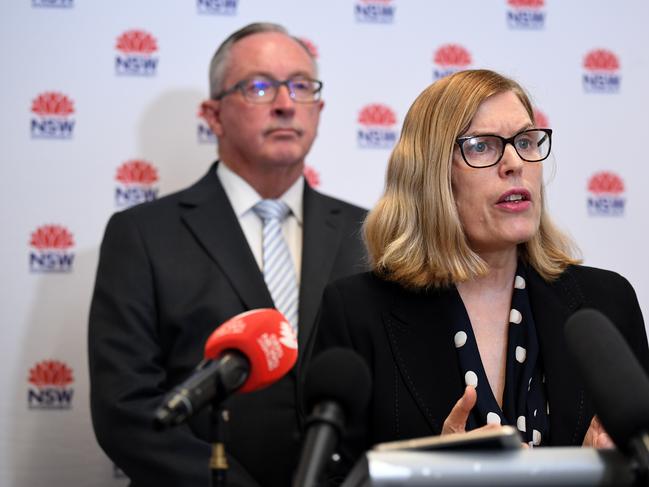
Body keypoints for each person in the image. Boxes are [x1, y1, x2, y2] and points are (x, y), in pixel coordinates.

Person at [310, 69, 649, 480]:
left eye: (525, 141)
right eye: (483, 147)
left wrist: (614, 470)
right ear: (431, 175)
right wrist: (432, 475)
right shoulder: (356, 312)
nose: (515, 163)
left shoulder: (606, 302)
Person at [88, 22, 367, 487]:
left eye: (300, 86)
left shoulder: (369, 234)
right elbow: (126, 409)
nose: (284, 103)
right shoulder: (142, 235)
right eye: (258, 87)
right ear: (213, 115)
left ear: (318, 109)